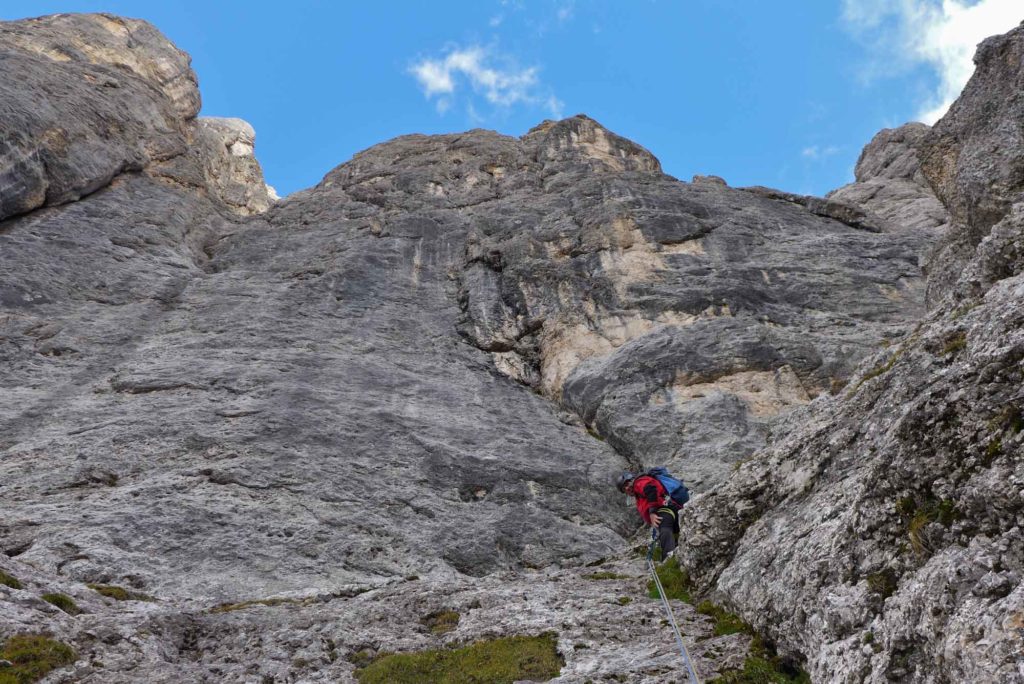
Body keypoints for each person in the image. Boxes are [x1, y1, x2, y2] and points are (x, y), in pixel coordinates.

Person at [617, 471, 681, 560]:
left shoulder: (639, 482)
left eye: (627, 484)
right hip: (665, 512)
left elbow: (650, 489)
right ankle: (673, 555)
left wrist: (652, 512)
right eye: (624, 488)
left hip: (664, 511)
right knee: (668, 533)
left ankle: (669, 558)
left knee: (665, 529)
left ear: (632, 480)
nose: (627, 488)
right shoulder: (638, 494)